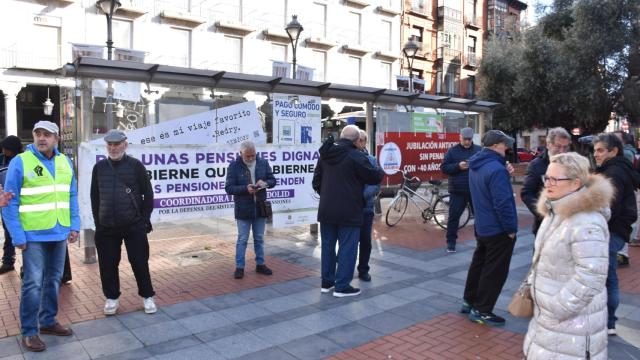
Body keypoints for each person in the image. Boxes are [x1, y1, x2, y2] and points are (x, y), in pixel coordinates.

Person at [523, 152, 611, 360]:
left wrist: (558, 308)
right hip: (548, 324)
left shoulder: (587, 222)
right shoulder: (554, 211)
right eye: (546, 178)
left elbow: (591, 277)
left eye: (555, 179)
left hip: (572, 329)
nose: (547, 184)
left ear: (575, 184)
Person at [2, 121, 80, 352]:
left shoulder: (65, 162)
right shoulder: (21, 162)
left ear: (56, 138)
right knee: (33, 283)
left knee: (54, 279)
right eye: (37, 134)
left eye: (47, 134)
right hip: (33, 235)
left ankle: (47, 321)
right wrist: (17, 235)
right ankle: (29, 331)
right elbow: (9, 202)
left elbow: (71, 195)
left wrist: (74, 225)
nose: (41, 138)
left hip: (59, 232)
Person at [90, 129, 157, 316]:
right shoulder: (99, 168)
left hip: (133, 225)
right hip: (106, 227)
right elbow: (94, 197)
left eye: (117, 144)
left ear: (125, 145)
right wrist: (98, 222)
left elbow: (148, 194)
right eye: (110, 145)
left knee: (139, 262)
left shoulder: (136, 166)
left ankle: (147, 296)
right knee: (107, 265)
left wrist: (144, 220)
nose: (113, 148)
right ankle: (111, 298)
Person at [312, 125, 384, 297]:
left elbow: (316, 182)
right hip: (349, 210)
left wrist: (329, 194)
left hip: (327, 209)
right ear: (356, 140)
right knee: (347, 247)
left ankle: (327, 283)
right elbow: (374, 177)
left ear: (341, 137)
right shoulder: (356, 156)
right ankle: (342, 286)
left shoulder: (325, 154)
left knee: (328, 247)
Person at [461, 130, 517, 327]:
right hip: (498, 229)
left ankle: (469, 301)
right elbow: (502, 202)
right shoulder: (496, 169)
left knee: (479, 264)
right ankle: (482, 310)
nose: (507, 148)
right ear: (495, 146)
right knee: (494, 271)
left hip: (483, 225)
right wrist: (510, 229)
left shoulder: (477, 164)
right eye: (504, 145)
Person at [592, 133, 640, 335]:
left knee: (606, 276)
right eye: (595, 150)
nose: (596, 154)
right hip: (617, 229)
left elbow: (609, 208)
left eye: (601, 150)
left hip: (611, 230)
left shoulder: (613, 173)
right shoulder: (618, 168)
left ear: (614, 151)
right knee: (608, 274)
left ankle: (608, 321)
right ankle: (608, 321)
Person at [225, 140, 276, 279]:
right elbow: (229, 188)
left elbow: (273, 180)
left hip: (260, 207)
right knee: (242, 239)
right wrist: (245, 189)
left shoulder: (263, 163)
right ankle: (239, 267)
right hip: (243, 209)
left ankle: (260, 264)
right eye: (247, 156)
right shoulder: (234, 166)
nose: (251, 158)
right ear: (240, 153)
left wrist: (265, 183)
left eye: (253, 155)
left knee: (259, 238)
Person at [520, 127, 571, 235]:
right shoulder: (536, 165)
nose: (562, 151)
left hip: (569, 224)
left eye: (565, 147)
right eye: (558, 146)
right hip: (545, 226)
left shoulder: (572, 164)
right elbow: (526, 193)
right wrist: (543, 213)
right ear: (548, 145)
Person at [440, 127, 481, 252]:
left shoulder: (479, 150)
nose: (467, 142)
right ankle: (451, 243)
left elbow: (485, 165)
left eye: (469, 139)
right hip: (457, 191)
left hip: (475, 190)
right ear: (460, 137)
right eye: (465, 139)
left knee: (480, 217)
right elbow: (444, 168)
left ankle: (481, 242)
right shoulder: (452, 151)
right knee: (454, 217)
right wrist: (458, 166)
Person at [355, 130, 381, 281]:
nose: (359, 143)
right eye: (356, 140)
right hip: (350, 209)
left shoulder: (371, 160)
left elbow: (375, 185)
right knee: (348, 241)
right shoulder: (348, 158)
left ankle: (363, 269)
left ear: (365, 142)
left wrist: (359, 196)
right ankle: (344, 269)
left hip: (365, 208)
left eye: (361, 140)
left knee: (365, 241)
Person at [0, 135, 23, 275]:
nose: (3, 150)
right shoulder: (1, 159)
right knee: (8, 234)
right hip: (5, 204)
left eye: (6, 148)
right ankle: (8, 261)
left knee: (25, 236)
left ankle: (27, 267)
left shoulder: (22, 160)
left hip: (22, 204)